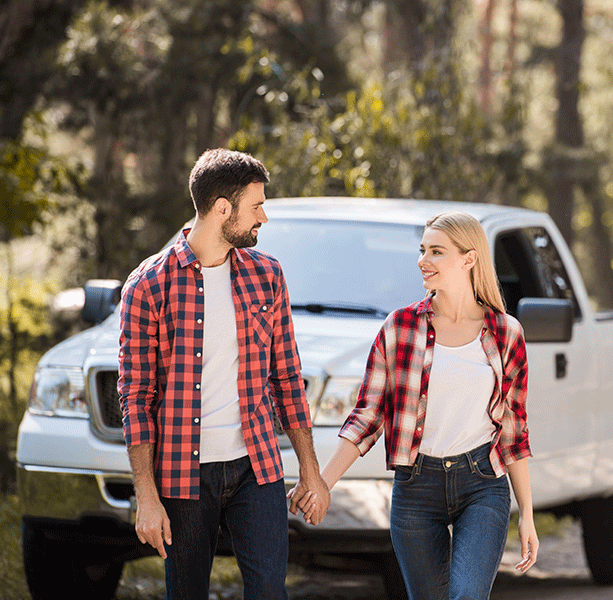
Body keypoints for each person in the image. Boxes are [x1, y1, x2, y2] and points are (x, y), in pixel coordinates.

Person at [118, 148, 329, 600]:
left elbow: (287, 377)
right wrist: (147, 496)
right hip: (181, 474)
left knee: (271, 593)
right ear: (221, 209)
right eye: (256, 206)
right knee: (187, 592)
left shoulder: (267, 275)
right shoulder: (148, 286)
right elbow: (135, 396)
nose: (264, 218)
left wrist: (310, 471)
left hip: (257, 467)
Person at [307, 211, 539, 600]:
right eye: (422, 250)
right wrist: (323, 485)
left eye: (436, 251)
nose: (423, 261)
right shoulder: (401, 328)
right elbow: (367, 416)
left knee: (466, 595)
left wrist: (527, 515)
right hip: (416, 486)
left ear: (469, 259)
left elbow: (514, 430)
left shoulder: (505, 333)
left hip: (482, 484)